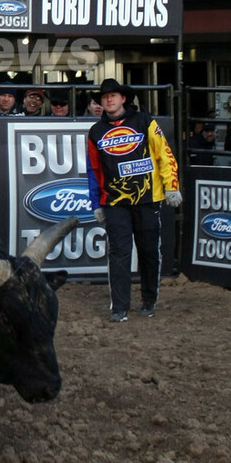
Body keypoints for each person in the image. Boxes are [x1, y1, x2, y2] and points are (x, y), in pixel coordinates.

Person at [87, 78, 181, 322]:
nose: (109, 99)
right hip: (115, 201)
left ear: (123, 98)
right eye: (104, 96)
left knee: (149, 250)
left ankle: (149, 300)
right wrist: (96, 203)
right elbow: (93, 170)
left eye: (113, 95)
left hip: (148, 197)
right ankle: (119, 307)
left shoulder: (144, 121)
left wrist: (171, 186)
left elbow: (164, 154)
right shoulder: (95, 131)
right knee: (119, 252)